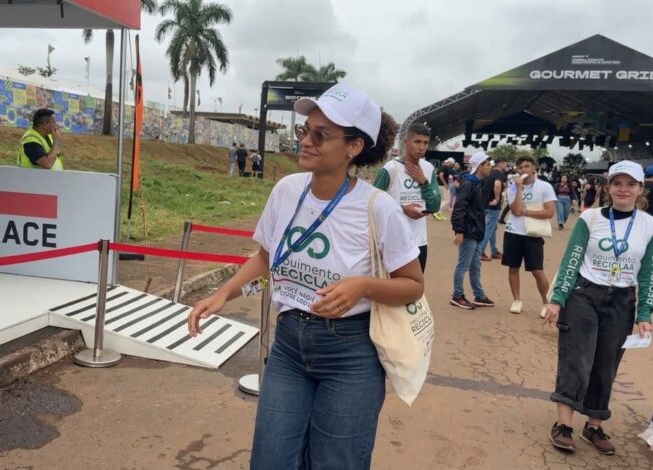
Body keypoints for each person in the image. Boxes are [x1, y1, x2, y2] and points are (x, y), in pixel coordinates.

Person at [187, 82, 423, 469]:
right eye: (305, 131)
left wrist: (363, 286)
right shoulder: (286, 190)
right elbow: (266, 257)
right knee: (270, 460)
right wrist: (224, 293)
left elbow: (412, 286)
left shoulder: (379, 209)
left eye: (321, 135)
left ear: (353, 147)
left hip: (351, 355)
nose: (307, 141)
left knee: (335, 462)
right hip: (289, 348)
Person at [544, 160, 653, 455]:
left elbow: (647, 273)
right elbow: (572, 260)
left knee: (606, 365)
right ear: (609, 187)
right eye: (617, 183)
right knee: (577, 360)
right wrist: (557, 299)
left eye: (631, 184)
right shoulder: (590, 219)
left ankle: (593, 425)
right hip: (585, 296)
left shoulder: (649, 225)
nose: (623, 189)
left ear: (641, 189)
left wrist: (644, 314)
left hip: (622, 301)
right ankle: (563, 425)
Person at [374, 123, 441, 272]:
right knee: (390, 291)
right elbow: (371, 204)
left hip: (419, 242)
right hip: (393, 242)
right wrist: (402, 209)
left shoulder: (428, 169)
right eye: (417, 142)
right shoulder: (390, 169)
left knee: (414, 291)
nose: (422, 147)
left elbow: (435, 206)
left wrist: (423, 182)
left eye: (425, 143)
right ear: (406, 142)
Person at [502, 156, 556, 317]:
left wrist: (527, 212)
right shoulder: (512, 187)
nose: (523, 170)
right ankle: (516, 300)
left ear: (534, 168)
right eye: (520, 167)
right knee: (513, 267)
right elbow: (516, 210)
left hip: (533, 233)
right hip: (513, 231)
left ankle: (546, 302)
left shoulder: (545, 187)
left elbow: (549, 212)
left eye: (527, 166)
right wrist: (518, 189)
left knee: (537, 270)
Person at [450, 152, 495, 309]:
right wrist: (459, 231)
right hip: (469, 231)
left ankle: (479, 295)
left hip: (476, 232)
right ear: (480, 166)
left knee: (475, 265)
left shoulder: (477, 183)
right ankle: (457, 295)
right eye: (488, 165)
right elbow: (459, 208)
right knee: (463, 265)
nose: (490, 168)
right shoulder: (469, 184)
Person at [480, 157, 508, 261]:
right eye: (505, 164)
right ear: (500, 163)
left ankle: (494, 251)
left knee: (492, 228)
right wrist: (497, 198)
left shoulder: (489, 173)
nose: (506, 166)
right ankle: (480, 251)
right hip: (493, 206)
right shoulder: (499, 174)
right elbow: (497, 184)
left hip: (485, 204)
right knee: (489, 228)